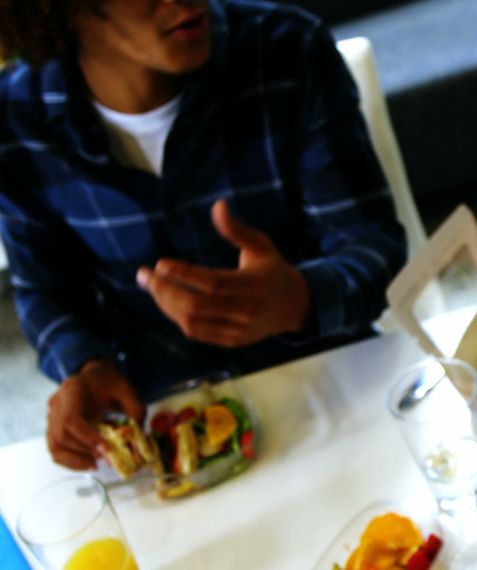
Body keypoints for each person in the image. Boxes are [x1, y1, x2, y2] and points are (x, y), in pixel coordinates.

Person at [0, 0, 406, 471]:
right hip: (171, 433)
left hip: (337, 389)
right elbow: (45, 289)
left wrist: (298, 297)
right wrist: (87, 366)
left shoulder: (286, 51)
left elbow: (372, 244)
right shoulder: (15, 121)